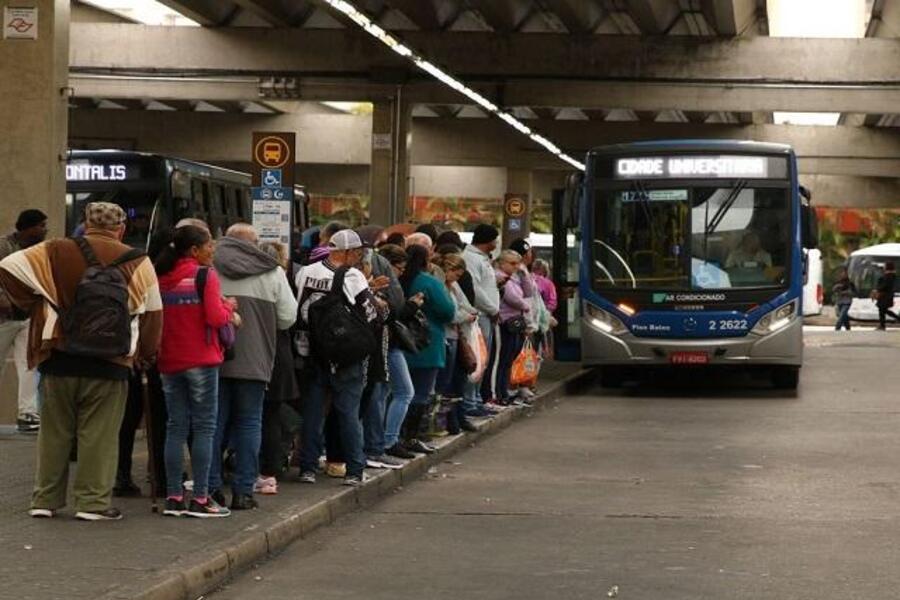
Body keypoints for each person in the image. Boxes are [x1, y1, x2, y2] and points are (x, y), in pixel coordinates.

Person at [0, 202, 162, 521]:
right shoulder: (138, 260)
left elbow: (7, 266)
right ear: (122, 229)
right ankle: (91, 503)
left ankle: (44, 500)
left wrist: (32, 302)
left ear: (85, 223)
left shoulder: (56, 249)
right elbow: (153, 313)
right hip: (111, 359)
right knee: (99, 434)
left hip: (58, 353)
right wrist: (145, 353)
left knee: (54, 432)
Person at [209, 224, 298, 510]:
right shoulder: (272, 271)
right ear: (253, 244)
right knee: (249, 423)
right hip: (256, 361)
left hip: (215, 358)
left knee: (213, 425)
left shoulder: (209, 266)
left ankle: (210, 490)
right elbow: (288, 318)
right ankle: (243, 491)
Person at [155, 225, 236, 518]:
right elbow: (215, 317)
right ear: (194, 250)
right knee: (204, 427)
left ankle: (174, 496)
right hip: (201, 359)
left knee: (175, 426)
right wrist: (230, 310)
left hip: (169, 360)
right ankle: (200, 498)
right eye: (209, 245)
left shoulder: (160, 276)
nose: (212, 250)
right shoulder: (205, 275)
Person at [295, 229, 382, 486]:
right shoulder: (353, 276)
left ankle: (307, 468)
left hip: (309, 351)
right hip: (343, 355)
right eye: (358, 252)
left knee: (312, 413)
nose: (359, 256)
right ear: (346, 252)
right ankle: (354, 470)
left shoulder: (306, 272)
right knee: (348, 413)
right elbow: (371, 314)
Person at [399, 244, 455, 454]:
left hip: (399, 342)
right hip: (426, 342)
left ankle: (395, 435)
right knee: (420, 392)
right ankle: (411, 437)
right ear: (425, 260)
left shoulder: (397, 280)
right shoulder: (429, 282)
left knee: (398, 393)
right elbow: (447, 311)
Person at [256, 242, 302, 495]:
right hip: (276, 356)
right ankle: (268, 473)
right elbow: (288, 318)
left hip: (242, 358)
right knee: (269, 417)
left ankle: (238, 469)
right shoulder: (276, 278)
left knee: (243, 417)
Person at [0, 209, 48, 433]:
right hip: (4, 316)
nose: (44, 230)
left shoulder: (40, 251)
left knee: (29, 364)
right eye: (40, 225)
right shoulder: (4, 246)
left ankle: (27, 413)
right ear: (28, 228)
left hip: (28, 315)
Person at [377, 244, 420, 460]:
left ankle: (385, 439)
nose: (402, 273)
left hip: (389, 343)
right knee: (404, 391)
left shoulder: (384, 284)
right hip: (389, 343)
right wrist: (411, 306)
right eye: (400, 268)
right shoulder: (385, 286)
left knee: (385, 392)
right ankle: (389, 439)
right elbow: (396, 313)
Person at [433, 252, 479, 434]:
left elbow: (464, 304)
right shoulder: (440, 286)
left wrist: (472, 312)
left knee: (457, 380)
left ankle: (457, 418)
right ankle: (445, 421)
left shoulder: (453, 286)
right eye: (456, 274)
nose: (456, 278)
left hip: (457, 335)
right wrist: (466, 316)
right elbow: (450, 313)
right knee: (445, 382)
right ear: (448, 270)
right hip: (447, 335)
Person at [463, 224, 501, 413]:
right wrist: (493, 309)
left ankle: (476, 399)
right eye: (495, 239)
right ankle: (470, 402)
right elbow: (475, 289)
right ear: (489, 240)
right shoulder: (471, 259)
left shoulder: (483, 259)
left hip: (488, 315)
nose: (496, 242)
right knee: (477, 358)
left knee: (483, 359)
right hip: (481, 315)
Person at [493, 250, 531, 405]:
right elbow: (513, 299)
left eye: (517, 263)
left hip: (515, 322)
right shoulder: (500, 277)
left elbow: (528, 292)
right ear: (502, 263)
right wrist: (526, 306)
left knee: (510, 359)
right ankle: (500, 391)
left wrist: (524, 274)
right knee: (504, 359)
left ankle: (505, 390)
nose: (516, 267)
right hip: (506, 322)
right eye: (512, 263)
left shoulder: (514, 278)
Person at [874, 261, 898, 331]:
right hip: (885, 295)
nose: (884, 267)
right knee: (883, 310)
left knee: (882, 310)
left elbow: (885, 286)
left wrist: (878, 289)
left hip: (885, 296)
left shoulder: (889, 276)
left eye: (885, 266)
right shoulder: (889, 275)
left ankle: (882, 325)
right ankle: (882, 325)